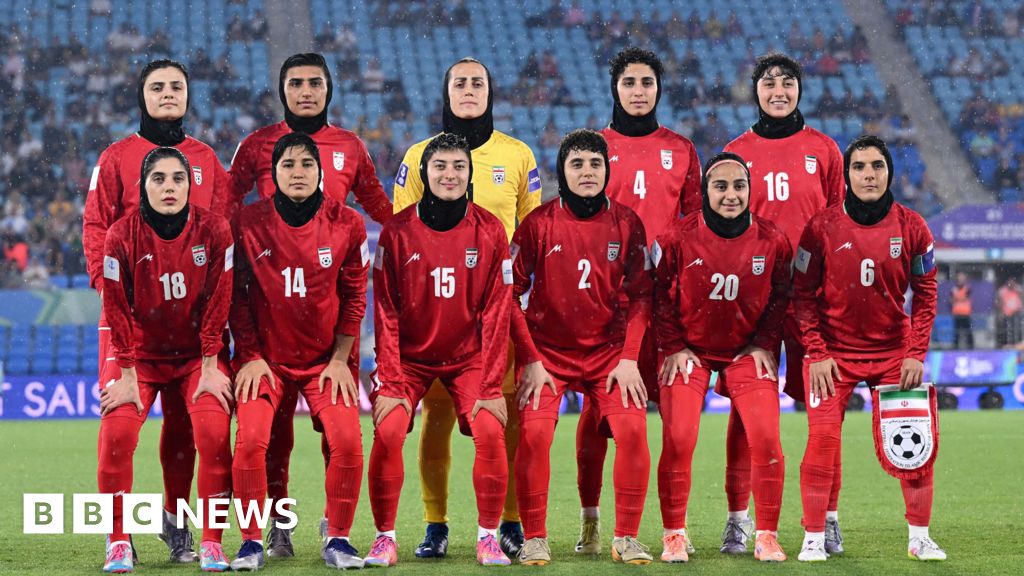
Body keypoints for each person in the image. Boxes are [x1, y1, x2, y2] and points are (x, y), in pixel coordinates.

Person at [227, 52, 392, 555]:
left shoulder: (350, 149)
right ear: (282, 90)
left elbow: (381, 208)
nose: (305, 91)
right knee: (269, 437)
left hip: (329, 325)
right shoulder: (255, 147)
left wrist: (428, 236)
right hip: (271, 318)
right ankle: (273, 527)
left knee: (339, 434)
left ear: (328, 89)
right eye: (295, 82)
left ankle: (333, 526)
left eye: (314, 83)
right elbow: (223, 210)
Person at [83, 58, 232, 564]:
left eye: (176, 87)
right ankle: (118, 537)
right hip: (130, 324)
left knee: (191, 429)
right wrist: (110, 288)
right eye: (158, 87)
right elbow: (95, 227)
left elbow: (221, 233)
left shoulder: (206, 158)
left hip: (192, 326)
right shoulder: (115, 156)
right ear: (142, 96)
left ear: (187, 95)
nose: (168, 94)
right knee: (119, 428)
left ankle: (178, 524)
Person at [392, 57, 541, 559]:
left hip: (499, 313)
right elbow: (404, 235)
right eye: (460, 83)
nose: (470, 90)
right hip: (438, 315)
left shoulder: (518, 155)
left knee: (503, 418)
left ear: (490, 92)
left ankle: (509, 522)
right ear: (446, 92)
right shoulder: (419, 157)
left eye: (478, 82)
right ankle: (435, 525)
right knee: (435, 420)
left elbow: (533, 235)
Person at [575, 47, 701, 555]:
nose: (638, 91)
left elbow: (697, 225)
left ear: (658, 89)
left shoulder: (682, 149)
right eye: (629, 82)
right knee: (597, 415)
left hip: (668, 302)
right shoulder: (595, 147)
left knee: (676, 420)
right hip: (610, 304)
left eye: (646, 82)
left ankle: (675, 526)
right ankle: (590, 521)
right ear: (615, 89)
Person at [793, 135, 944, 562]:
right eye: (859, 167)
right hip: (832, 356)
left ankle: (919, 537)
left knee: (914, 441)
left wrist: (915, 352)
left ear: (889, 172)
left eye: (877, 166)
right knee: (822, 441)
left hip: (894, 354)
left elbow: (926, 292)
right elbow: (801, 294)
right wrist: (816, 352)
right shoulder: (820, 227)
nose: (869, 175)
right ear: (846, 175)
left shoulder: (912, 226)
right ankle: (813, 538)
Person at [368, 133, 512, 567]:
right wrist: (391, 381)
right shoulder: (396, 232)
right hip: (409, 361)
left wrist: (491, 386)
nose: (450, 174)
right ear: (425, 173)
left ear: (470, 174)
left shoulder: (490, 230)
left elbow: (497, 312)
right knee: (388, 430)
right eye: (440, 166)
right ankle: (384, 538)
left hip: (468, 359)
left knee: (490, 429)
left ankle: (488, 538)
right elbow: (386, 312)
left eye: (458, 166)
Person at [721, 52, 845, 555]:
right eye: (769, 83)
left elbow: (839, 224)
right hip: (755, 302)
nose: (778, 91)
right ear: (756, 91)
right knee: (746, 412)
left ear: (799, 90)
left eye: (787, 82)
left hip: (814, 300)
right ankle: (737, 519)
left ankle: (828, 519)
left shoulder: (825, 149)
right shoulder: (736, 151)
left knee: (825, 411)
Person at [228, 132, 369, 570]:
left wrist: (340, 360)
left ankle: (338, 539)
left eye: (307, 164)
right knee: (252, 442)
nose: (298, 172)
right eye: (287, 164)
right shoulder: (247, 223)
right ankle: (252, 542)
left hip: (323, 364)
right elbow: (236, 297)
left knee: (347, 441)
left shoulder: (348, 223)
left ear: (320, 172)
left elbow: (355, 297)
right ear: (273, 174)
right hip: (266, 363)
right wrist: (250, 355)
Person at [511, 129, 652, 565]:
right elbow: (508, 294)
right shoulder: (537, 224)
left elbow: (642, 296)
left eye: (595, 164)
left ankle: (623, 537)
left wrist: (629, 358)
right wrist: (530, 358)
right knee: (534, 436)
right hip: (548, 356)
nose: (587, 172)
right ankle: (535, 537)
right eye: (577, 164)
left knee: (633, 432)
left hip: (609, 355)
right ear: (562, 171)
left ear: (607, 170)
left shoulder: (627, 223)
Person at [653, 152, 792, 563]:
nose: (731, 195)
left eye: (739, 186)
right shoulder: (676, 237)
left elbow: (782, 297)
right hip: (690, 352)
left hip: (745, 352)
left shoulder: (773, 240)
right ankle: (674, 534)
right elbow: (657, 295)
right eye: (721, 186)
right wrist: (674, 345)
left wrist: (764, 343)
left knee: (766, 437)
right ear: (704, 192)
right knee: (679, 438)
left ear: (750, 190)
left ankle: (766, 535)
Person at [996, 277, 1022, 346]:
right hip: (1007, 313)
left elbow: (1021, 295)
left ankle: (1016, 343)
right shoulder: (1002, 291)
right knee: (1008, 330)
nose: (1010, 284)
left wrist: (1015, 288)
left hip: (1016, 312)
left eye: (1012, 282)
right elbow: (999, 302)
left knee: (1016, 329)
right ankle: (1009, 343)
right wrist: (1000, 313)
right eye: (1009, 282)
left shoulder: (1017, 289)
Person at [951, 271, 974, 349]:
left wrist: (957, 298)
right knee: (956, 332)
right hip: (957, 313)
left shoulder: (967, 288)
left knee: (968, 331)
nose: (961, 280)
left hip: (966, 313)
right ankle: (955, 347)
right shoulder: (953, 289)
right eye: (959, 278)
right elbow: (951, 300)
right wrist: (959, 298)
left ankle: (970, 346)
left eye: (962, 278)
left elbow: (966, 297)